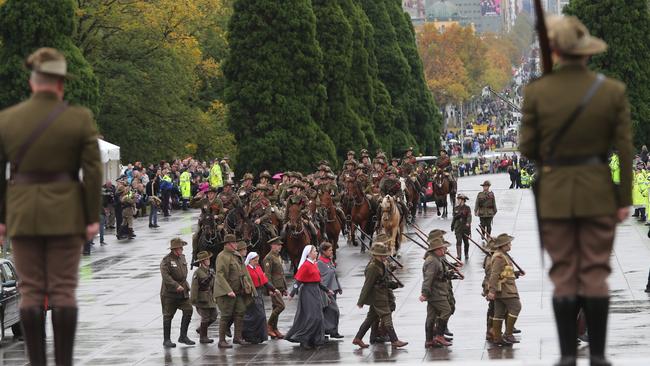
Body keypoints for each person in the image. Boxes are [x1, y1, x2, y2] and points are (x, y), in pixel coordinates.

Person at [519, 15, 633, 366]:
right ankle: (597, 355)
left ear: (554, 51)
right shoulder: (612, 91)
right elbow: (625, 150)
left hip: (555, 196)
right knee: (596, 273)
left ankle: (568, 355)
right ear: (586, 53)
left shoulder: (537, 92)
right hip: (598, 193)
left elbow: (526, 147)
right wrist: (624, 199)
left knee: (565, 274)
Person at [0, 48, 102, 366]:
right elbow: (94, 171)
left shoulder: (7, 120)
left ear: (33, 82)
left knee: (30, 291)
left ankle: (36, 363)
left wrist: (2, 218)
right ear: (60, 84)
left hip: (22, 213)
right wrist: (90, 216)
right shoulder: (79, 118)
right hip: (66, 214)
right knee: (62, 291)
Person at [352, 240, 407, 349]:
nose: (384, 257)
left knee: (370, 318)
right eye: (382, 256)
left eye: (384, 255)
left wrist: (395, 285)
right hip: (377, 297)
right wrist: (361, 301)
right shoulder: (373, 267)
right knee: (387, 316)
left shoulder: (381, 264)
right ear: (375, 255)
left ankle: (358, 338)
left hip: (382, 295)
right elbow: (367, 285)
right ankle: (394, 340)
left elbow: (384, 281)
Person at [285, 245, 333, 350]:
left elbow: (317, 281)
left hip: (316, 291)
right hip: (307, 292)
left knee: (319, 317)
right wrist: (292, 293)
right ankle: (303, 339)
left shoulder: (314, 264)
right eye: (315, 251)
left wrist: (327, 290)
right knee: (312, 317)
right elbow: (298, 281)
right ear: (309, 254)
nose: (316, 253)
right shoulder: (305, 265)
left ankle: (315, 340)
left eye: (316, 251)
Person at [214, 234, 254, 348]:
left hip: (238, 291)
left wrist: (250, 287)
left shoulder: (236, 255)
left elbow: (244, 272)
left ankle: (237, 337)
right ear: (228, 244)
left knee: (240, 311)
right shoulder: (222, 256)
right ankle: (221, 340)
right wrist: (228, 290)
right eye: (235, 242)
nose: (237, 244)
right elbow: (220, 275)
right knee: (226, 315)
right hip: (226, 292)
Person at [486, 234, 522, 347]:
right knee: (516, 307)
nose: (510, 244)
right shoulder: (499, 257)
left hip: (503, 289)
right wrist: (491, 290)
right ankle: (508, 334)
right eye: (508, 243)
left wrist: (515, 274)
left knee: (499, 313)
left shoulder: (502, 255)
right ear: (503, 245)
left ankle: (497, 337)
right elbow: (494, 274)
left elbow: (505, 272)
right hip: (506, 290)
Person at [160, 238, 195, 348]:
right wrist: (175, 285)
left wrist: (184, 286)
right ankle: (166, 339)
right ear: (175, 249)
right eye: (180, 248)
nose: (182, 250)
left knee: (189, 309)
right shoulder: (166, 260)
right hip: (170, 293)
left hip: (183, 291)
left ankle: (183, 336)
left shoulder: (182, 258)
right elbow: (166, 277)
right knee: (168, 315)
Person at [420, 237, 453, 348]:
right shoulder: (432, 261)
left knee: (431, 317)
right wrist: (424, 293)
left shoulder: (436, 259)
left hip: (435, 292)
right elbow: (428, 279)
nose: (444, 250)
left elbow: (438, 274)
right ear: (437, 249)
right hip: (436, 292)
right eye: (442, 248)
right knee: (447, 310)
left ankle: (429, 340)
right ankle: (439, 335)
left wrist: (448, 274)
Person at [243, 252, 280, 344]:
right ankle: (250, 336)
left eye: (257, 260)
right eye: (255, 260)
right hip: (251, 294)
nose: (257, 262)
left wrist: (274, 289)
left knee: (259, 316)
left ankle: (258, 336)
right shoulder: (246, 269)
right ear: (250, 260)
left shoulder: (258, 268)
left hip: (259, 294)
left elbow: (265, 281)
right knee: (257, 316)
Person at [263, 237, 288, 339]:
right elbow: (267, 276)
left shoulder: (277, 256)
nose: (280, 246)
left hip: (279, 286)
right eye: (278, 245)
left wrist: (284, 287)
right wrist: (270, 289)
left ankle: (274, 329)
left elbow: (281, 273)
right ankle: (268, 326)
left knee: (275, 307)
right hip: (274, 287)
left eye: (280, 245)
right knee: (281, 306)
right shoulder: (268, 258)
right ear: (273, 246)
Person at [190, 251, 217, 344]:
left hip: (210, 297)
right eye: (206, 259)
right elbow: (194, 287)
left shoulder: (210, 270)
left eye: (208, 258)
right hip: (202, 298)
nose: (208, 260)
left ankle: (201, 329)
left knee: (214, 316)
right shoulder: (197, 273)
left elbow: (214, 284)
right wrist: (193, 300)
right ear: (201, 262)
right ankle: (203, 337)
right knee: (205, 318)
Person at [317, 242, 343, 339]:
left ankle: (332, 331)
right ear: (323, 251)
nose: (332, 252)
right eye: (329, 250)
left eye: (332, 250)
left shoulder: (329, 260)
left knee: (331, 312)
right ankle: (327, 331)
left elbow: (334, 275)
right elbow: (321, 279)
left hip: (333, 290)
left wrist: (339, 287)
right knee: (334, 311)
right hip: (326, 291)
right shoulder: (319, 263)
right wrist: (325, 290)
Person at [451, 194, 472, 260]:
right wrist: (452, 226)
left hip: (465, 228)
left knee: (466, 242)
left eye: (459, 199)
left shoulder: (467, 208)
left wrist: (468, 223)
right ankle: (459, 255)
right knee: (458, 241)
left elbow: (469, 216)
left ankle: (466, 254)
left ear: (462, 200)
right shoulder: (455, 208)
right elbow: (454, 217)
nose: (457, 201)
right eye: (458, 199)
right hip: (458, 227)